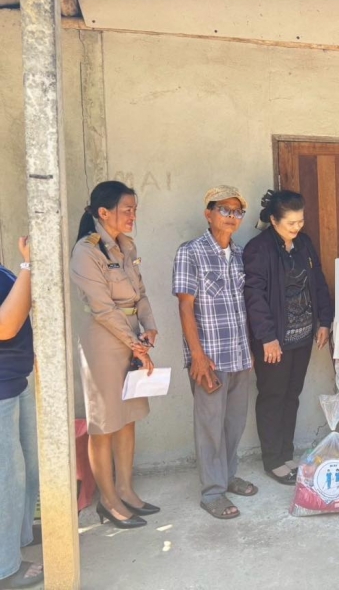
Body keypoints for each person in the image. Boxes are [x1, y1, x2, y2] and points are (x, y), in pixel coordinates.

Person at [70, 181, 158, 530]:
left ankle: (126, 490)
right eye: (127, 209)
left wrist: (150, 328)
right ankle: (108, 501)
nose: (133, 215)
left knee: (128, 415)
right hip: (104, 342)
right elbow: (103, 309)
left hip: (133, 337)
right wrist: (137, 345)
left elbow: (141, 294)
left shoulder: (127, 245)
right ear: (103, 213)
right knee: (105, 423)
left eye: (135, 209)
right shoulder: (86, 251)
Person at [173, 185, 259, 520]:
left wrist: (250, 350)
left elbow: (243, 306)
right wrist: (197, 355)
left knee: (234, 423)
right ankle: (212, 492)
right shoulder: (191, 252)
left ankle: (227, 475)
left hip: (239, 355)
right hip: (209, 358)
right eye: (224, 209)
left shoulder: (239, 255)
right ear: (208, 213)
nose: (232, 216)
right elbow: (185, 307)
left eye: (237, 211)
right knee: (210, 426)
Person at [243, 190, 333, 485]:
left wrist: (324, 320)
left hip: (302, 336)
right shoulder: (259, 249)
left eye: (300, 221)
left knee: (292, 395)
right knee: (273, 396)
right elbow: (254, 297)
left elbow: (318, 282)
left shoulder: (304, 244)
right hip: (274, 341)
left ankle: (285, 453)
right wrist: (267, 337)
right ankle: (273, 460)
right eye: (290, 223)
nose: (297, 227)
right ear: (273, 220)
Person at [0, 236, 42, 589]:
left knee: (26, 470)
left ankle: (20, 536)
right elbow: (5, 326)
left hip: (16, 380)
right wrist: (28, 265)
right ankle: (5, 567)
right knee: (5, 480)